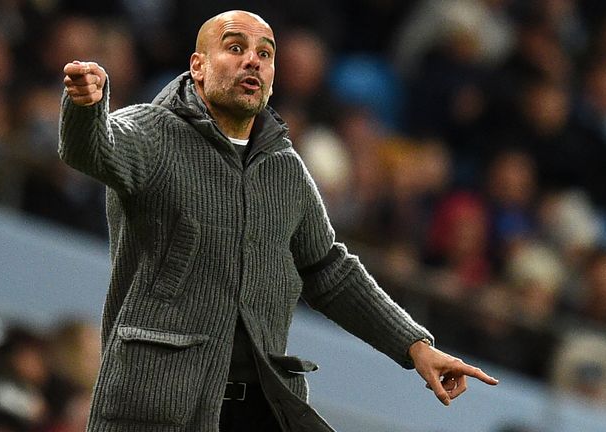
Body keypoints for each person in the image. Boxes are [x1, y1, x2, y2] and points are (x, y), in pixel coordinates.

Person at [59, 9, 498, 432]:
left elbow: (331, 273)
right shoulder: (151, 130)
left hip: (261, 410)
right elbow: (94, 150)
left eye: (265, 53)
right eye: (235, 47)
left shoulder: (285, 167)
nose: (253, 59)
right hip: (156, 408)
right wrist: (85, 108)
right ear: (198, 65)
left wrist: (415, 346)